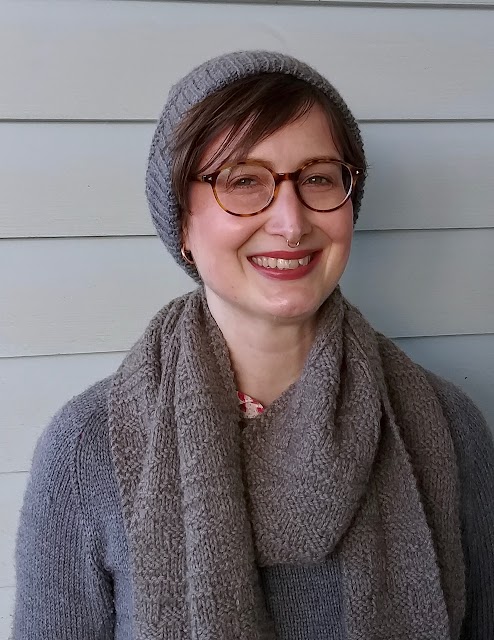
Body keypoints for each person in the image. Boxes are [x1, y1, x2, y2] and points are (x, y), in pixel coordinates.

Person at [12, 50, 494, 640]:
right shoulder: (86, 451)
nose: (291, 223)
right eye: (244, 181)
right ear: (181, 221)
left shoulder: (447, 431)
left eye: (318, 177)